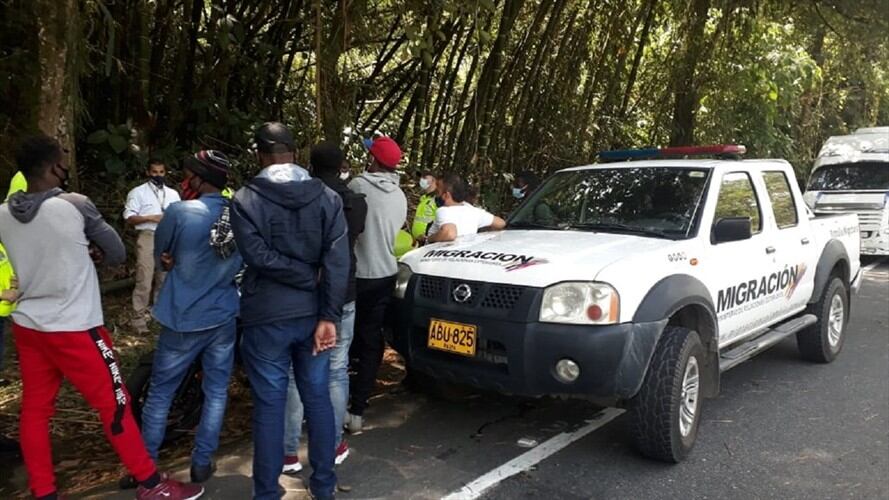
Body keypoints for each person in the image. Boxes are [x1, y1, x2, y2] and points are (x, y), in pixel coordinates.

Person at [0, 134, 202, 500]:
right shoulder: (74, 204)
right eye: (63, 160)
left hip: (29, 325)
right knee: (116, 403)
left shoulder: (3, 214)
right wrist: (89, 251)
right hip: (76, 326)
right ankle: (151, 483)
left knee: (34, 411)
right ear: (53, 168)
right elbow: (115, 252)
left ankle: (44, 492)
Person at [231, 122, 349, 500]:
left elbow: (257, 257)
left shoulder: (245, 199)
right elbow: (338, 261)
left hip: (266, 316)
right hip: (314, 316)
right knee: (317, 397)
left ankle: (266, 493)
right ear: (295, 154)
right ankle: (324, 488)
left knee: (270, 404)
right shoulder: (327, 198)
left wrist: (304, 279)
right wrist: (328, 314)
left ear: (259, 156)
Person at [135, 150, 242, 485]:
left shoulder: (179, 212)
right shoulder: (238, 214)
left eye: (188, 175)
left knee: (161, 393)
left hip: (183, 318)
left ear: (198, 179)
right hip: (223, 316)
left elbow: (162, 256)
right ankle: (201, 462)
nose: (184, 180)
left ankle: (146, 466)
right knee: (216, 391)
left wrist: (172, 260)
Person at [282, 142, 367, 473]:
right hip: (342, 292)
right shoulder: (356, 202)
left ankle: (288, 451)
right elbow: (352, 239)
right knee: (335, 369)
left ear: (310, 166)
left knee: (292, 371)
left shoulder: (299, 197)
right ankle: (331, 446)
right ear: (343, 165)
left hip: (304, 292)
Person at [345, 136, 407, 433]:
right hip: (385, 274)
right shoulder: (401, 196)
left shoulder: (359, 185)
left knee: (344, 338)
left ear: (374, 159)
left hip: (357, 273)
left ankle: (335, 402)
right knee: (371, 341)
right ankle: (357, 411)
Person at [123, 159, 180, 333]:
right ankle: (138, 319)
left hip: (168, 237)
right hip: (148, 235)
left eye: (161, 172)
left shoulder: (172, 194)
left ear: (165, 173)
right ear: (148, 172)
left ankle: (158, 315)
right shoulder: (138, 192)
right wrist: (151, 217)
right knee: (144, 278)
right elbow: (129, 217)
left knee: (164, 277)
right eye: (154, 172)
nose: (158, 175)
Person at [427, 173, 506, 243]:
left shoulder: (444, 211)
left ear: (447, 195)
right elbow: (501, 223)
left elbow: (450, 233)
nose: (436, 195)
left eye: (438, 192)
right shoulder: (473, 211)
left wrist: (430, 238)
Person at [411, 170, 438, 242]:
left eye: (425, 177)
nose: (422, 179)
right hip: (417, 240)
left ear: (433, 180)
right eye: (421, 177)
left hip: (428, 241)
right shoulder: (424, 198)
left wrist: (429, 237)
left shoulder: (438, 198)